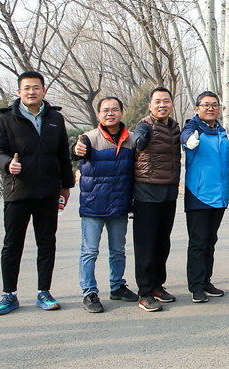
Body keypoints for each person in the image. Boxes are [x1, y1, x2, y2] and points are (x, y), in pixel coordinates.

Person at [0, 70, 74, 315]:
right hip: (18, 191)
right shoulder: (6, 119)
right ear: (19, 92)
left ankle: (44, 292)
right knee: (12, 244)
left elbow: (62, 154)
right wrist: (8, 164)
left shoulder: (55, 118)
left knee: (46, 243)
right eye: (26, 88)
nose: (31, 92)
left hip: (48, 191)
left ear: (44, 90)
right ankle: (9, 294)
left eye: (36, 87)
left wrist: (66, 186)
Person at [71, 96, 138, 313]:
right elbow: (76, 151)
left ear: (121, 112)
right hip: (93, 206)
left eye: (115, 109)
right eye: (105, 110)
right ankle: (89, 292)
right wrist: (75, 150)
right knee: (90, 251)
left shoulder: (132, 139)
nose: (110, 113)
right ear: (99, 114)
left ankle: (117, 286)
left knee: (118, 250)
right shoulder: (88, 138)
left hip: (119, 205)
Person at [130, 87, 182, 312]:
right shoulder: (145, 125)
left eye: (166, 101)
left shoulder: (174, 127)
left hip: (169, 192)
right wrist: (140, 141)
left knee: (162, 242)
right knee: (146, 245)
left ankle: (157, 285)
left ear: (171, 104)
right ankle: (145, 292)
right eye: (157, 101)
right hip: (147, 192)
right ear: (150, 105)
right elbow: (138, 139)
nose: (162, 105)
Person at [181, 91, 229, 304]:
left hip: (219, 195)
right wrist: (189, 140)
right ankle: (196, 286)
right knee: (198, 242)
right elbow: (185, 137)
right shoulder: (193, 128)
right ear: (197, 108)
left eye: (214, 105)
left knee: (210, 240)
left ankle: (206, 280)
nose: (210, 108)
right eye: (206, 105)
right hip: (199, 194)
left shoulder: (220, 131)